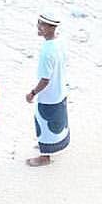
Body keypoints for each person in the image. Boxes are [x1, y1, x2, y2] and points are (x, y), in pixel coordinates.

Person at [26, 14, 69, 166]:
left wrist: (32, 93)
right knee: (57, 122)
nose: (38, 26)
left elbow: (45, 79)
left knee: (44, 123)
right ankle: (50, 146)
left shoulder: (47, 51)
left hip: (49, 95)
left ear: (51, 27)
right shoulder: (60, 43)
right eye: (38, 22)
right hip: (60, 90)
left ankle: (45, 156)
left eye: (42, 24)